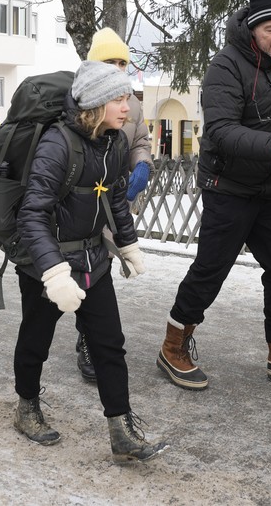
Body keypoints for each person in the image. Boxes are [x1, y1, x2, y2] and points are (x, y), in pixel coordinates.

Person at [156, 0, 271, 390]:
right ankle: (173, 345)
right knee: (211, 269)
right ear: (253, 28)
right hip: (227, 185)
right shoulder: (225, 66)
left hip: (268, 188)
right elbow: (220, 131)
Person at [12, 60, 168, 463]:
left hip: (94, 260)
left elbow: (114, 197)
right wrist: (52, 272)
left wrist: (128, 246)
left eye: (128, 97)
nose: (128, 105)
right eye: (119, 98)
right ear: (96, 103)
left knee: (109, 345)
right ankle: (26, 408)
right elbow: (32, 214)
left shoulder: (114, 141)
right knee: (36, 340)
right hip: (47, 264)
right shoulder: (56, 143)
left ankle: (121, 431)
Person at [74, 27, 154, 382]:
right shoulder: (82, 97)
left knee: (99, 270)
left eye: (123, 62)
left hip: (117, 198)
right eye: (110, 62)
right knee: (84, 271)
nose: (118, 68)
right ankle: (88, 339)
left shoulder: (131, 101)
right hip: (85, 200)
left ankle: (94, 338)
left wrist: (142, 166)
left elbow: (141, 140)